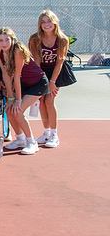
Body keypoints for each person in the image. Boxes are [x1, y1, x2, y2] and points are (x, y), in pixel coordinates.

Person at [0, 27, 49, 155]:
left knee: (17, 111)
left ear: (13, 39)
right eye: (0, 40)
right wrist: (10, 97)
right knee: (9, 110)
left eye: (7, 40)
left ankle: (31, 142)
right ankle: (20, 139)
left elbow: (17, 76)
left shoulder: (18, 50)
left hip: (38, 83)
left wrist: (17, 100)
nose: (4, 43)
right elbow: (5, 74)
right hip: (24, 84)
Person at [28, 10, 72, 148]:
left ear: (55, 22)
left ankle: (54, 134)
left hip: (56, 73)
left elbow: (60, 62)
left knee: (49, 101)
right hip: (41, 72)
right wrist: (41, 81)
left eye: (49, 21)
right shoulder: (35, 39)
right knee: (41, 102)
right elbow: (37, 61)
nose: (46, 24)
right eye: (43, 22)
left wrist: (52, 82)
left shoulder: (62, 39)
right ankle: (46, 133)